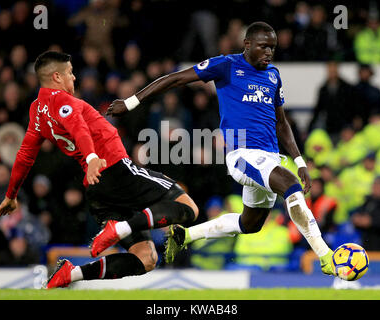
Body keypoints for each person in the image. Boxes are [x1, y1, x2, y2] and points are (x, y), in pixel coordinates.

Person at [107, 21, 335, 276]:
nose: (269, 53)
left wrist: (300, 161)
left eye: (272, 47)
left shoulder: (273, 75)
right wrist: (131, 102)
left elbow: (281, 123)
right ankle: (326, 256)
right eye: (263, 47)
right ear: (247, 44)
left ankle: (185, 235)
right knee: (291, 186)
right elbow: (176, 78)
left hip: (269, 158)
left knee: (249, 224)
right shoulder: (226, 66)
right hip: (243, 155)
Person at [0, 51, 199, 289]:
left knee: (147, 258)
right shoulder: (63, 101)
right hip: (115, 170)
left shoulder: (36, 111)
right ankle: (120, 227)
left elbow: (25, 155)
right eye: (70, 73)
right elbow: (78, 128)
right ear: (57, 77)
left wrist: (11, 195)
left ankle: (72, 274)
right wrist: (92, 157)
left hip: (98, 190)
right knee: (188, 208)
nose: (74, 78)